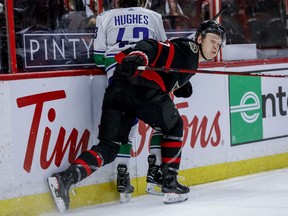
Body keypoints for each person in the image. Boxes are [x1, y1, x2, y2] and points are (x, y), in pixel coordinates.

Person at [47, 19, 226, 212]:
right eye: (212, 40)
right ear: (199, 38)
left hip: (118, 89)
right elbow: (151, 45)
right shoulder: (189, 48)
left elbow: (166, 64)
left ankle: (63, 180)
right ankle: (170, 183)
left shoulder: (189, 60)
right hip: (142, 89)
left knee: (109, 147)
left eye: (218, 44)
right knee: (174, 126)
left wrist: (178, 83)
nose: (215, 46)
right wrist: (140, 55)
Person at [93, 0, 167, 202]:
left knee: (126, 125)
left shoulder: (105, 17)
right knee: (167, 122)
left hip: (118, 82)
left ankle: (122, 173)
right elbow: (164, 52)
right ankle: (157, 172)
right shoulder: (153, 16)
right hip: (147, 80)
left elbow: (99, 58)